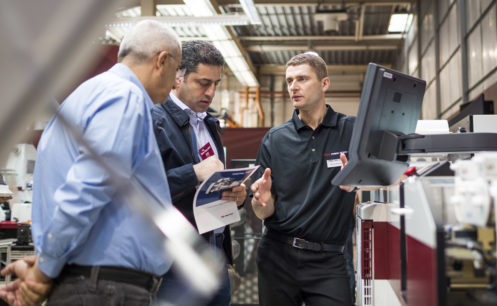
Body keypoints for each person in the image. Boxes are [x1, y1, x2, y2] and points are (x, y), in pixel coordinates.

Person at [0, 20, 182, 306]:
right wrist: (44, 272)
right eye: (176, 71)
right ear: (162, 60)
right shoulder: (125, 96)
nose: (174, 84)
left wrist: (47, 265)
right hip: (108, 289)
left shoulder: (82, 98)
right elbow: (89, 187)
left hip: (90, 282)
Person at [250, 53, 357, 306]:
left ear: (324, 84)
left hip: (330, 260)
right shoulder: (275, 139)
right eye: (289, 81)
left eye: (302, 79)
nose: (293, 87)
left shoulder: (352, 131)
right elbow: (262, 211)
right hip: (278, 257)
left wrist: (359, 182)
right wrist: (262, 202)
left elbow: (386, 178)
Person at [152, 40, 246, 305]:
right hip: (175, 263)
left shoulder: (210, 125)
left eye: (216, 84)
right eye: (203, 83)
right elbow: (144, 189)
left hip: (215, 257)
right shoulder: (154, 120)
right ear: (177, 78)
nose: (211, 92)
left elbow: (210, 186)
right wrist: (194, 172)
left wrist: (236, 196)